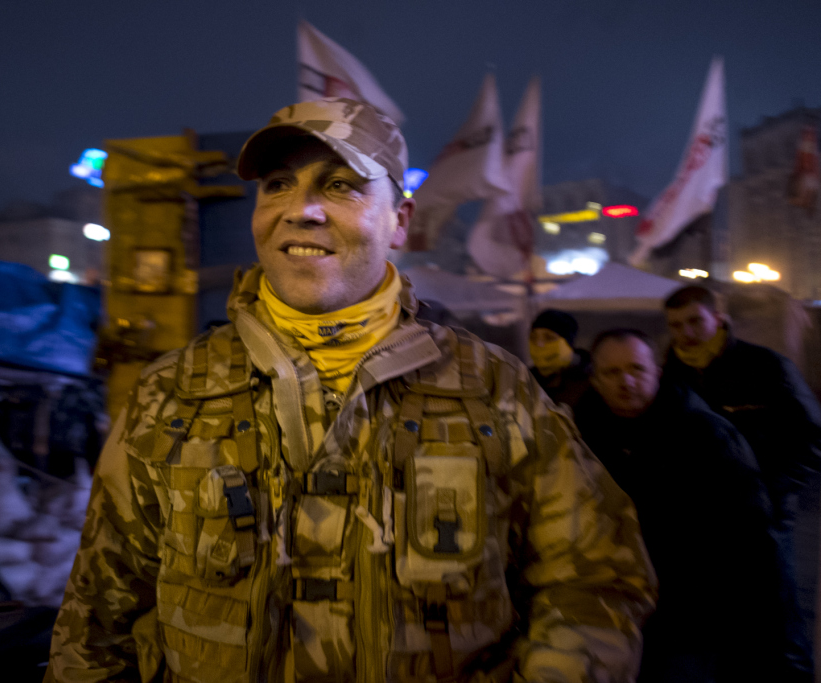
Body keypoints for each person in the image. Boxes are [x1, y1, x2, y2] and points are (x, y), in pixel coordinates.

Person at [44, 98, 656, 682]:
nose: (300, 210)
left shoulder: (496, 392)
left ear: (401, 221)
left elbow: (593, 582)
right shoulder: (171, 395)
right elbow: (99, 614)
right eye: (278, 185)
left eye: (341, 185)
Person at [575, 329, 787, 682]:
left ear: (656, 372)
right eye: (611, 373)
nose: (625, 381)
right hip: (605, 612)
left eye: (636, 369)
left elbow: (753, 539)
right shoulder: (577, 438)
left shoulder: (706, 436)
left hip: (689, 615)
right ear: (595, 379)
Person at [661, 284, 821, 678]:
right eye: (676, 325)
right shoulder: (668, 376)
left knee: (779, 619)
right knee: (719, 622)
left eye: (695, 321)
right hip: (699, 524)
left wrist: (776, 494)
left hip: (762, 517)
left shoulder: (765, 366)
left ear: (718, 318)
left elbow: (811, 435)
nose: (686, 333)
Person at [527, 309, 591, 410]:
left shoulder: (592, 381)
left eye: (549, 337)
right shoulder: (525, 380)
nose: (539, 344)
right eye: (533, 337)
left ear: (567, 343)